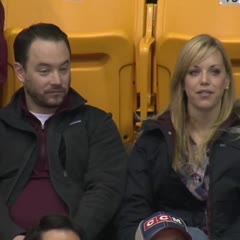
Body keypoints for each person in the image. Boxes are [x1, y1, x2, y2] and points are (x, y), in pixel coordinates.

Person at [0, 23, 127, 240]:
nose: (57, 80)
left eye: (64, 68)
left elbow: (105, 189)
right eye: (44, 71)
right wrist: (12, 235)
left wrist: (71, 236)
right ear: (20, 72)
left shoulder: (97, 124)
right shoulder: (3, 124)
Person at [118, 34, 240, 240]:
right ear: (182, 81)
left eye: (214, 72)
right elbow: (133, 211)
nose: (204, 80)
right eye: (194, 72)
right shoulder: (154, 139)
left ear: (227, 81)